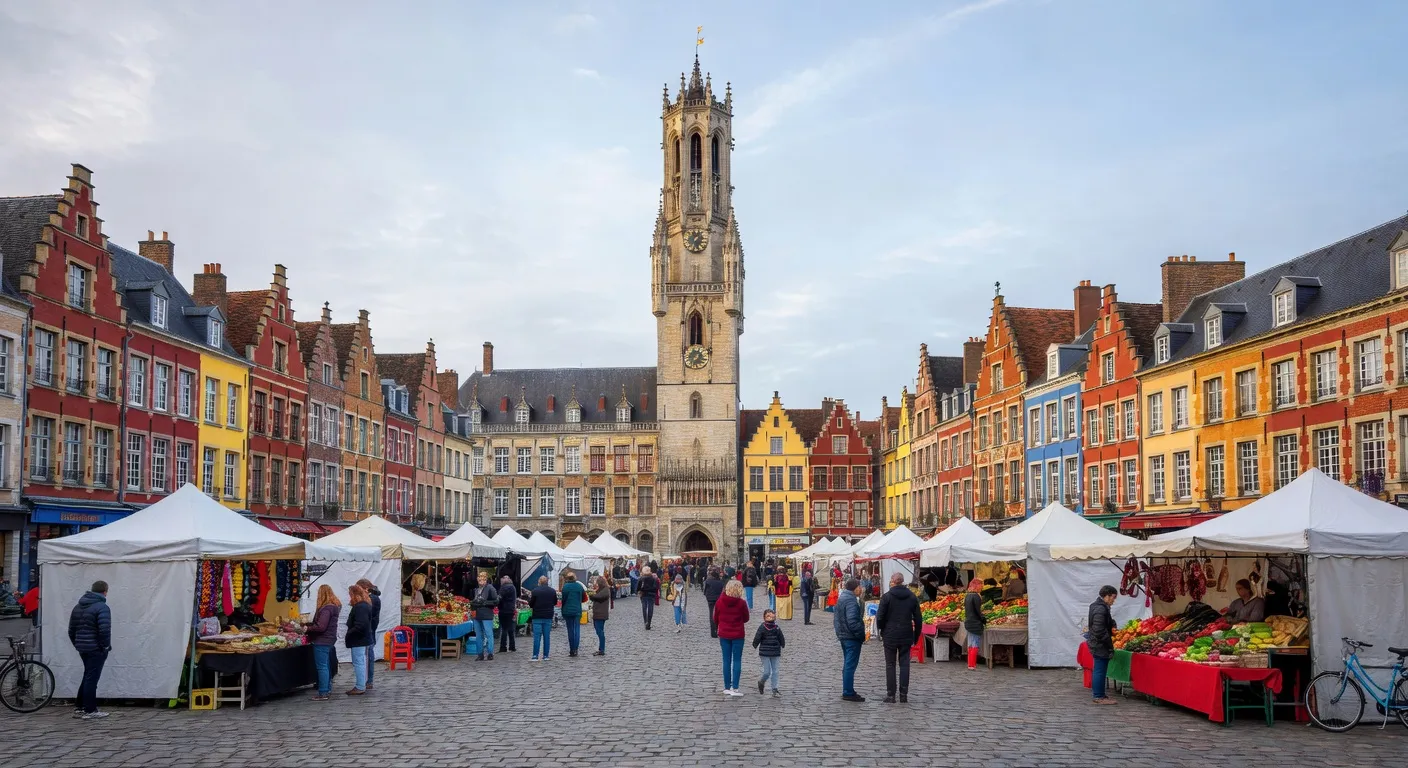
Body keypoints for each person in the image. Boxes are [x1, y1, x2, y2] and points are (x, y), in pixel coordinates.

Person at [68, 580, 113, 719]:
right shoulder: (102, 607)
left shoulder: (78, 606)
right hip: (96, 648)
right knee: (92, 679)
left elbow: (71, 630)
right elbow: (104, 630)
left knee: (87, 676)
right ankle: (90, 709)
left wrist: (77, 644)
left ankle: (80, 706)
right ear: (105, 591)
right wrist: (105, 646)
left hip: (83, 648)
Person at [876, 573, 923, 704]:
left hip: (890, 634)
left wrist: (881, 630)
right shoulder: (912, 597)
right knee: (904, 664)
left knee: (890, 665)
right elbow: (918, 619)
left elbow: (880, 617)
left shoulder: (887, 597)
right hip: (906, 633)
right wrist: (916, 634)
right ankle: (903, 694)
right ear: (902, 582)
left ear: (893, 581)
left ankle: (891, 695)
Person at [713, 579, 750, 696]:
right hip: (738, 634)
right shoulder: (741, 603)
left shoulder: (719, 602)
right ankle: (735, 687)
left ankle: (726, 686)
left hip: (724, 634)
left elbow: (715, 618)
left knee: (726, 660)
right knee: (737, 660)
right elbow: (746, 618)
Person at [306, 584, 342, 702]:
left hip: (322, 640)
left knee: (322, 667)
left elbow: (321, 627)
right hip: (329, 639)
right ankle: (327, 689)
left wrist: (307, 629)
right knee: (326, 666)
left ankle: (323, 692)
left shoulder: (326, 609)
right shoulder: (334, 607)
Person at [834, 577, 866, 702]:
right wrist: (860, 635)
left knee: (848, 664)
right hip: (851, 637)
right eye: (860, 587)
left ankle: (849, 689)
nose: (861, 589)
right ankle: (847, 692)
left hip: (844, 635)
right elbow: (852, 621)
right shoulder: (851, 601)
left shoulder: (842, 598)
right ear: (856, 588)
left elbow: (836, 620)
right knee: (850, 665)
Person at [1088, 585, 1119, 705]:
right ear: (1107, 595)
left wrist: (1112, 623)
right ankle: (1099, 696)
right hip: (1100, 644)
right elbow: (1099, 629)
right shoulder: (1100, 609)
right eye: (1113, 597)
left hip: (1097, 642)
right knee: (1100, 670)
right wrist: (1109, 643)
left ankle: (1100, 694)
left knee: (1099, 669)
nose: (1113, 600)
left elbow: (1104, 623)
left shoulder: (1098, 606)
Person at [345, 584, 374, 696]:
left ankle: (360, 686)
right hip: (363, 638)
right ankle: (361, 684)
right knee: (361, 662)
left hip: (359, 639)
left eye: (350, 594)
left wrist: (350, 633)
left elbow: (361, 625)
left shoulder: (360, 607)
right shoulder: (365, 605)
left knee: (359, 662)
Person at [355, 579, 381, 690]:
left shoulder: (373, 599)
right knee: (367, 656)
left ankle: (368, 680)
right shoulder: (372, 598)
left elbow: (368, 615)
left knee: (368, 656)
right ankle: (366, 680)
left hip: (369, 630)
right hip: (369, 629)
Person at [752, 608, 785, 697]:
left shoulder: (777, 627)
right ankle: (761, 682)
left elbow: (781, 637)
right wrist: (755, 644)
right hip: (765, 653)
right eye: (768, 616)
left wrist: (782, 644)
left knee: (775, 671)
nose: (770, 617)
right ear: (764, 617)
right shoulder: (762, 627)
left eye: (772, 615)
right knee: (767, 672)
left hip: (775, 651)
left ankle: (774, 688)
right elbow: (757, 636)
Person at [471, 572, 499, 661]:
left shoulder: (490, 588)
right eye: (479, 579)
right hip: (477, 615)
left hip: (486, 614)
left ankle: (490, 653)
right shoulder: (476, 590)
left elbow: (496, 600)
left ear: (486, 579)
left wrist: (485, 603)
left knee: (488, 634)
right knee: (479, 635)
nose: (480, 581)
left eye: (482, 579)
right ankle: (480, 654)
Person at [528, 575, 557, 661]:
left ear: (539, 582)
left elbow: (531, 604)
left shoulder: (535, 591)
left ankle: (535, 655)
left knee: (537, 636)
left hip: (537, 616)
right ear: (547, 582)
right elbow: (555, 602)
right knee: (546, 636)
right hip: (548, 616)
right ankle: (546, 655)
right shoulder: (552, 591)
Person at [561, 571, 587, 657]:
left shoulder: (565, 587)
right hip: (577, 611)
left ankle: (572, 649)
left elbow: (563, 600)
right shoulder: (579, 586)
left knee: (570, 630)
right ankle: (576, 649)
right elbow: (584, 598)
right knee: (577, 629)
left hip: (567, 611)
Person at [963, 578, 986, 670]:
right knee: (975, 644)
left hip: (968, 622)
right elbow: (978, 611)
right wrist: (983, 619)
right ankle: (972, 665)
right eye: (981, 585)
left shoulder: (968, 596)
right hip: (975, 623)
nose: (982, 587)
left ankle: (970, 664)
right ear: (977, 585)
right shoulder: (976, 596)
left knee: (970, 644)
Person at [589, 575, 611, 656]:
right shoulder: (602, 590)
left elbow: (598, 597)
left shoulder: (605, 590)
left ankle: (602, 649)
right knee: (598, 630)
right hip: (599, 613)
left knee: (599, 631)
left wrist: (591, 595)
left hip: (600, 614)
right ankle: (601, 649)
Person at [497, 575, 520, 654]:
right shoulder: (513, 587)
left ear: (503, 580)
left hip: (504, 610)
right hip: (511, 610)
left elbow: (499, 598)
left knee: (504, 629)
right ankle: (512, 647)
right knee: (511, 629)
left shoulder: (504, 587)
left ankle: (503, 647)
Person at [703, 567, 726, 638]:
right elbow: (722, 591)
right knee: (718, 614)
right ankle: (717, 629)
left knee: (711, 614)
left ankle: (713, 632)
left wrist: (707, 595)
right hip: (718, 599)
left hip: (710, 599)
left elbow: (704, 590)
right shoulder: (720, 582)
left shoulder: (708, 581)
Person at [638, 566, 660, 630]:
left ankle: (645, 622)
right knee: (650, 608)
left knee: (644, 608)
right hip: (651, 595)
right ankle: (649, 623)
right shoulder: (654, 578)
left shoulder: (641, 578)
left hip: (643, 595)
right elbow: (656, 588)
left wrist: (639, 592)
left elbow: (637, 588)